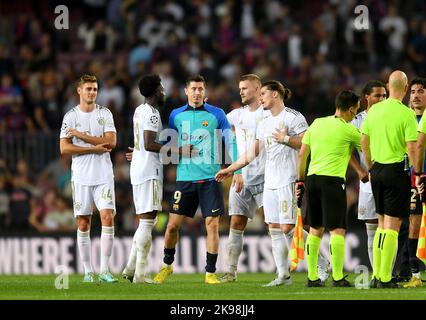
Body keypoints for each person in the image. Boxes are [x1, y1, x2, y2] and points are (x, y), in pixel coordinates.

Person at [216, 80, 329, 287]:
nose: (261, 99)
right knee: (274, 228)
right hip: (270, 181)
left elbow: (307, 144)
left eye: (264, 95)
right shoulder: (265, 123)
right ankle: (282, 276)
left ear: (275, 94)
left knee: (288, 228)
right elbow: (251, 153)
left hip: (288, 179)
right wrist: (230, 169)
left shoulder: (294, 117)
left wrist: (285, 139)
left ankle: (323, 263)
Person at [153, 74, 239, 285]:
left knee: (212, 224)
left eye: (201, 89)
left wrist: (237, 168)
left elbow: (230, 140)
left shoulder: (217, 114)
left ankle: (210, 272)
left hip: (211, 178)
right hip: (185, 179)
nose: (198, 92)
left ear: (205, 91)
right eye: (194, 89)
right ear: (186, 91)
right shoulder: (176, 115)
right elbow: (170, 145)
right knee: (172, 226)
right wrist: (177, 153)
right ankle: (167, 265)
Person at [297, 90, 362, 287]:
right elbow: (367, 148)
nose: (355, 115)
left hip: (311, 180)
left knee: (315, 229)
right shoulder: (349, 130)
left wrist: (300, 181)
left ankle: (312, 277)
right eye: (356, 111)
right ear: (351, 109)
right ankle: (338, 276)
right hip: (332, 182)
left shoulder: (316, 123)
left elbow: (302, 155)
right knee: (337, 230)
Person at [361, 70, 418, 288]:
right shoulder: (406, 114)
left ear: (388, 86)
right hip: (397, 171)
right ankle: (384, 278)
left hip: (377, 171)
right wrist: (417, 172)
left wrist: (370, 164)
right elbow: (412, 146)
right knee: (392, 226)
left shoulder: (374, 112)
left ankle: (378, 275)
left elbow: (363, 141)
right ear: (405, 89)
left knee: (382, 224)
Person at [59, 74, 118, 283]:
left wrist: (82, 137)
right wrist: (93, 148)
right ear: (79, 91)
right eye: (88, 89)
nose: (92, 92)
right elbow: (64, 148)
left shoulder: (105, 113)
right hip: (81, 176)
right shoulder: (70, 117)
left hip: (103, 175)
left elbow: (111, 143)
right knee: (83, 223)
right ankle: (88, 272)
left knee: (107, 218)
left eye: (95, 89)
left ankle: (104, 270)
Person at [220, 74, 268, 283]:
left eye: (245, 88)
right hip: (242, 178)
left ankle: (320, 261)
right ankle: (231, 271)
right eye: (240, 88)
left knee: (279, 225)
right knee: (236, 223)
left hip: (267, 178)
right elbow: (216, 123)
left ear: (258, 90)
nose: (241, 91)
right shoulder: (236, 115)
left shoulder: (268, 114)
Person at [121, 74, 166, 284]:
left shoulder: (139, 110)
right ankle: (140, 274)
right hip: (150, 170)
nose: (164, 91)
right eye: (162, 87)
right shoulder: (153, 113)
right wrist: (177, 150)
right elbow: (149, 143)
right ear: (156, 91)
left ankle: (130, 269)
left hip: (138, 168)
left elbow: (141, 143)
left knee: (145, 221)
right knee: (148, 221)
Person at [350, 81, 387, 270]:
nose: (381, 99)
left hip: (390, 177)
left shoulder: (390, 117)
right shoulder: (357, 121)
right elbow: (346, 150)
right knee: (372, 229)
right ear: (367, 97)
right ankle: (376, 274)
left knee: (390, 227)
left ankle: (386, 272)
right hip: (368, 181)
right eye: (377, 95)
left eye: (384, 96)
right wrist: (360, 170)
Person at [403, 77, 426, 288]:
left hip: (421, 176)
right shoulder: (407, 119)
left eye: (420, 91)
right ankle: (415, 274)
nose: (416, 95)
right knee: (414, 223)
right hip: (414, 178)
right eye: (413, 92)